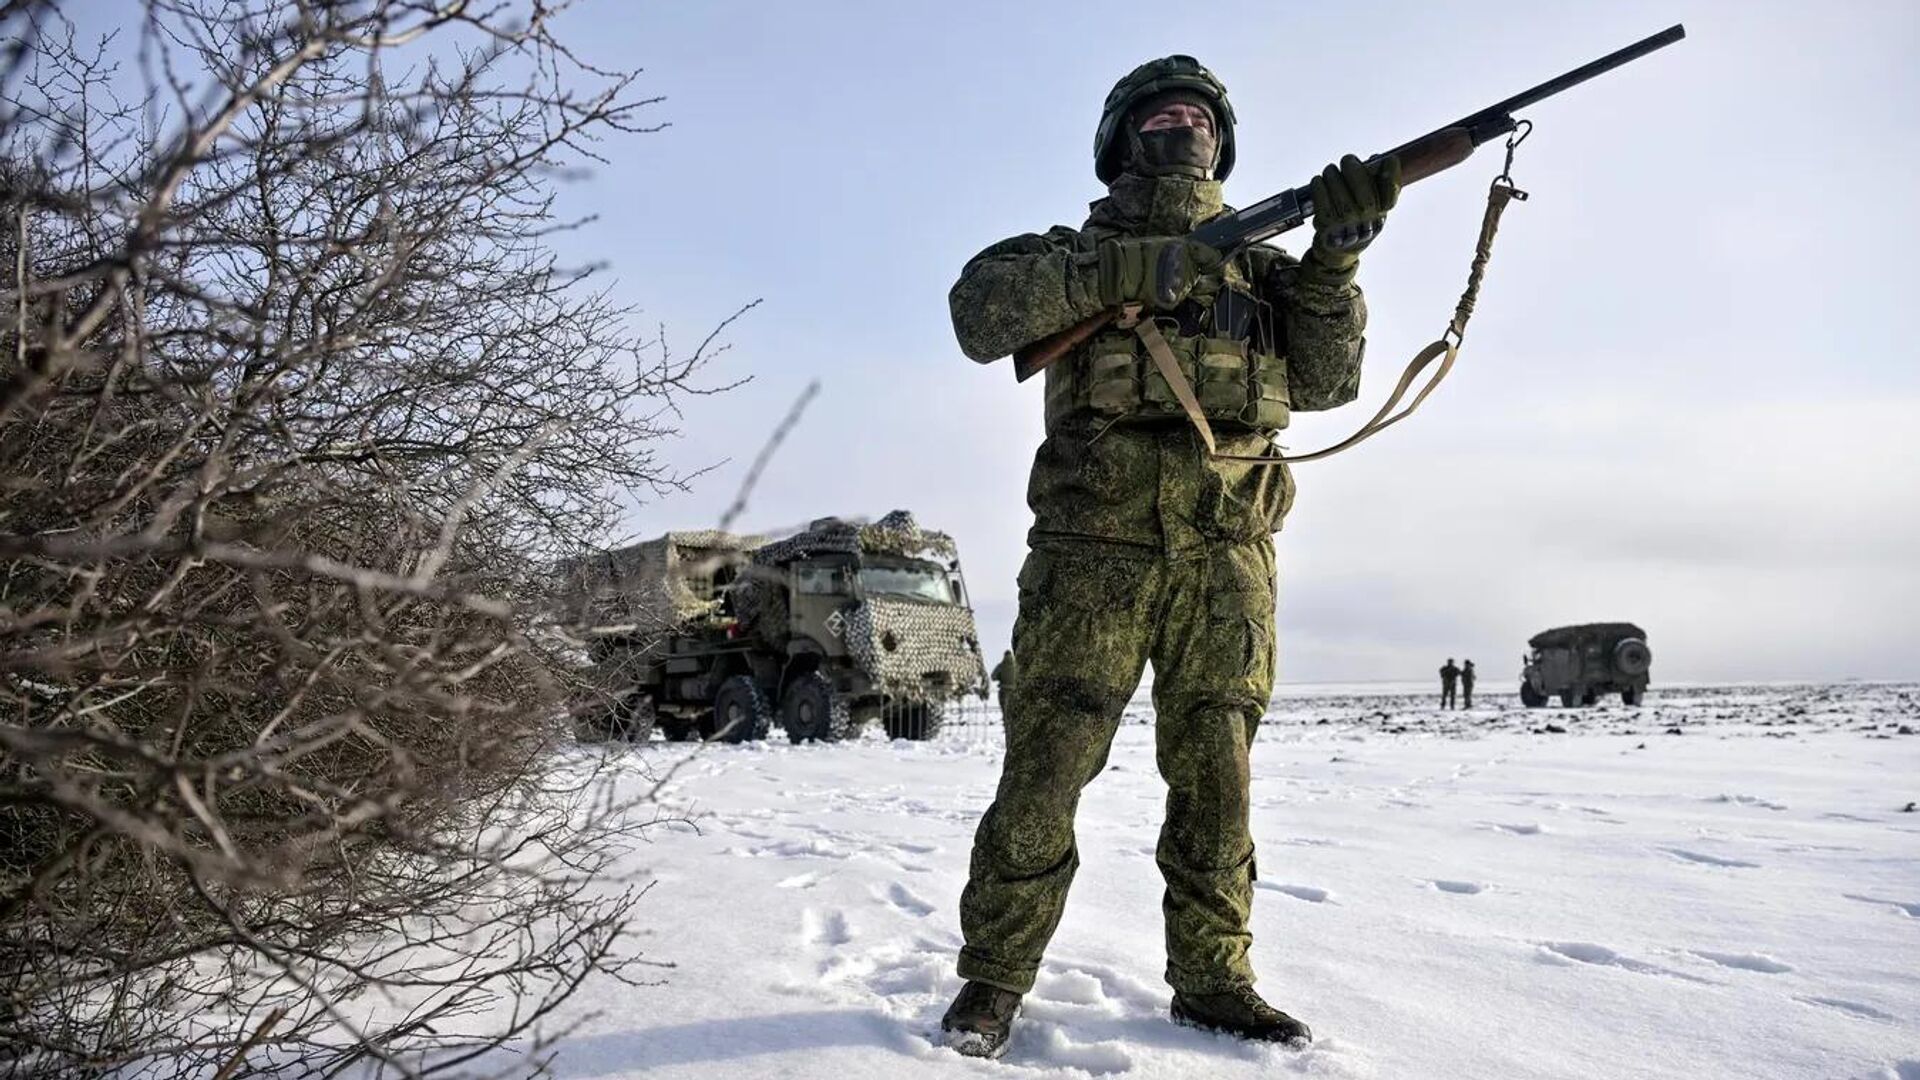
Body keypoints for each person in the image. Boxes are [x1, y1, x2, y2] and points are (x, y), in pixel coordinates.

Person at [940, 55, 1398, 1058]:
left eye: (1197, 112)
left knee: (1218, 780)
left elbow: (1326, 384)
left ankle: (1215, 979)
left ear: (1221, 142)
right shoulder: (1060, 255)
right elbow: (980, 318)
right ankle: (993, 984)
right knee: (1045, 773)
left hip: (1229, 557)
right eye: (1159, 111)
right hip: (1088, 555)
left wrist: (1335, 263)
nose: (1181, 120)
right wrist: (1124, 273)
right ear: (1117, 142)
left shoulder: (1268, 272)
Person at [990, 648, 1017, 730]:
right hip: (1014, 691)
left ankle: (1006, 727)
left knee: (1005, 711)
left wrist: (1000, 677)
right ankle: (1013, 727)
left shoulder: (1001, 666)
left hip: (1003, 691)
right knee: (1013, 711)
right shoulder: (1016, 666)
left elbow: (993, 677)